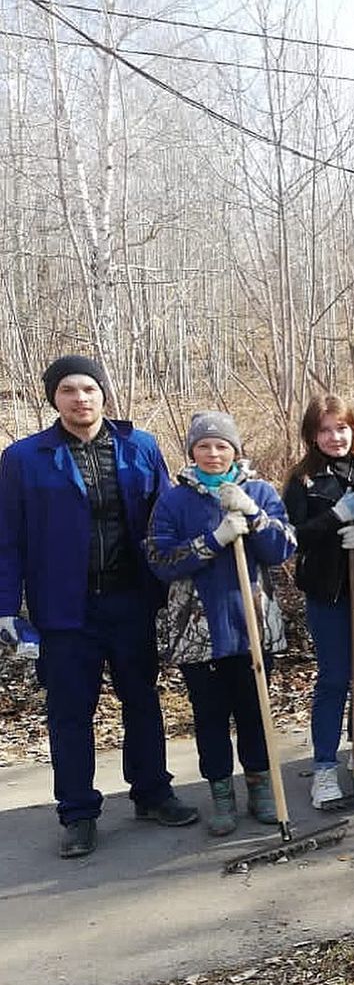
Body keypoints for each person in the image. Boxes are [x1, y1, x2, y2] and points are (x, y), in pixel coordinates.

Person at [0, 355, 198, 858]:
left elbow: (166, 518)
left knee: (142, 699)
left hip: (131, 599)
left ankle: (152, 792)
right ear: (54, 398)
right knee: (70, 712)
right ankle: (79, 814)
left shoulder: (139, 446)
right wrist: (8, 608)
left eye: (89, 388)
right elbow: (8, 537)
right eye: (68, 389)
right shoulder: (25, 458)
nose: (80, 398)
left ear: (103, 393)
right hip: (64, 610)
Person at [145, 412, 296, 835]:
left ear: (235, 450)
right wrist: (212, 541)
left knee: (256, 714)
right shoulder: (174, 501)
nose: (213, 453)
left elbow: (283, 548)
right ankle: (221, 795)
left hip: (252, 628)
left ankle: (261, 787)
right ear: (192, 451)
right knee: (210, 718)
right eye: (204, 446)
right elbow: (159, 560)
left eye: (222, 446)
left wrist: (255, 518)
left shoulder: (260, 491)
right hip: (199, 634)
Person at [283, 395, 354, 810]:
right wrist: (335, 520)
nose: (336, 437)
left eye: (343, 428)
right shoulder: (303, 480)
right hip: (328, 591)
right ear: (313, 434)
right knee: (334, 678)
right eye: (326, 430)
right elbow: (291, 537)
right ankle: (325, 767)